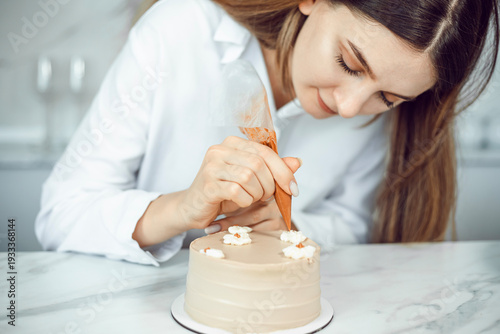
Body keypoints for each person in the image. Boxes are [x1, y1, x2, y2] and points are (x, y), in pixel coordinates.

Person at [35, 0, 499, 266]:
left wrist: (289, 230)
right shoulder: (179, 30)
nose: (349, 107)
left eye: (388, 99)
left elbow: (357, 230)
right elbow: (59, 214)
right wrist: (181, 208)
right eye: (349, 64)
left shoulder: (380, 116)